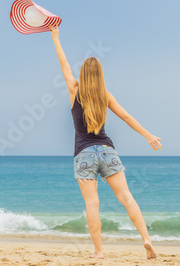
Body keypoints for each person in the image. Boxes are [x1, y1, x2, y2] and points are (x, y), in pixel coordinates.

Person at [48, 24, 161, 260]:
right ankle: (146, 239)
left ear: (82, 75)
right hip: (108, 151)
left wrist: (55, 36)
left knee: (93, 204)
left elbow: (64, 64)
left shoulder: (74, 90)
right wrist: (148, 135)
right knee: (127, 197)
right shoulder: (106, 95)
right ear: (100, 75)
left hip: (84, 154)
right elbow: (127, 117)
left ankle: (99, 252)